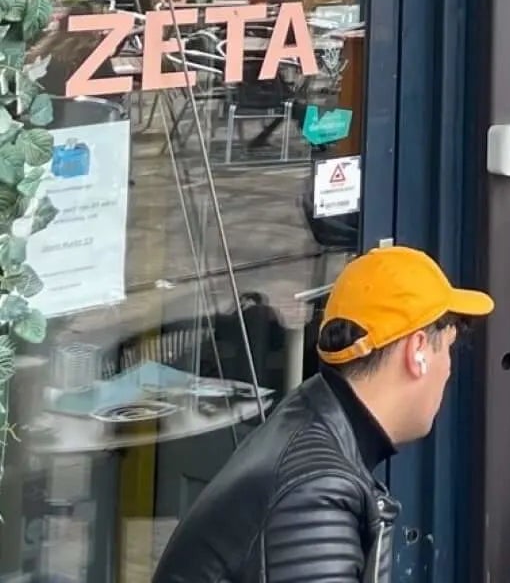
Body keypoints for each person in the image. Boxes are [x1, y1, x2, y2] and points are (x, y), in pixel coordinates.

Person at [152, 244, 492, 583]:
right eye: (448, 349)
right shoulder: (317, 488)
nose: (448, 370)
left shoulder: (311, 424)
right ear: (418, 351)